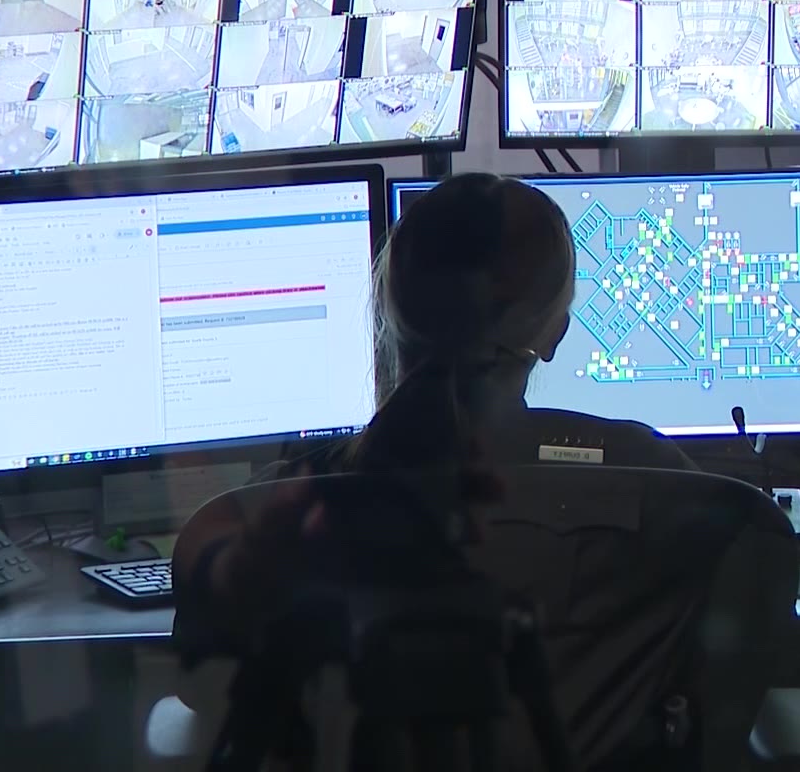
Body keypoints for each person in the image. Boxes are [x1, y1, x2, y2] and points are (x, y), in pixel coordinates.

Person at [173, 172, 691, 632]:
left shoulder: (258, 517)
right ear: (555, 333)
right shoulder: (656, 481)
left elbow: (207, 695)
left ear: (386, 311)